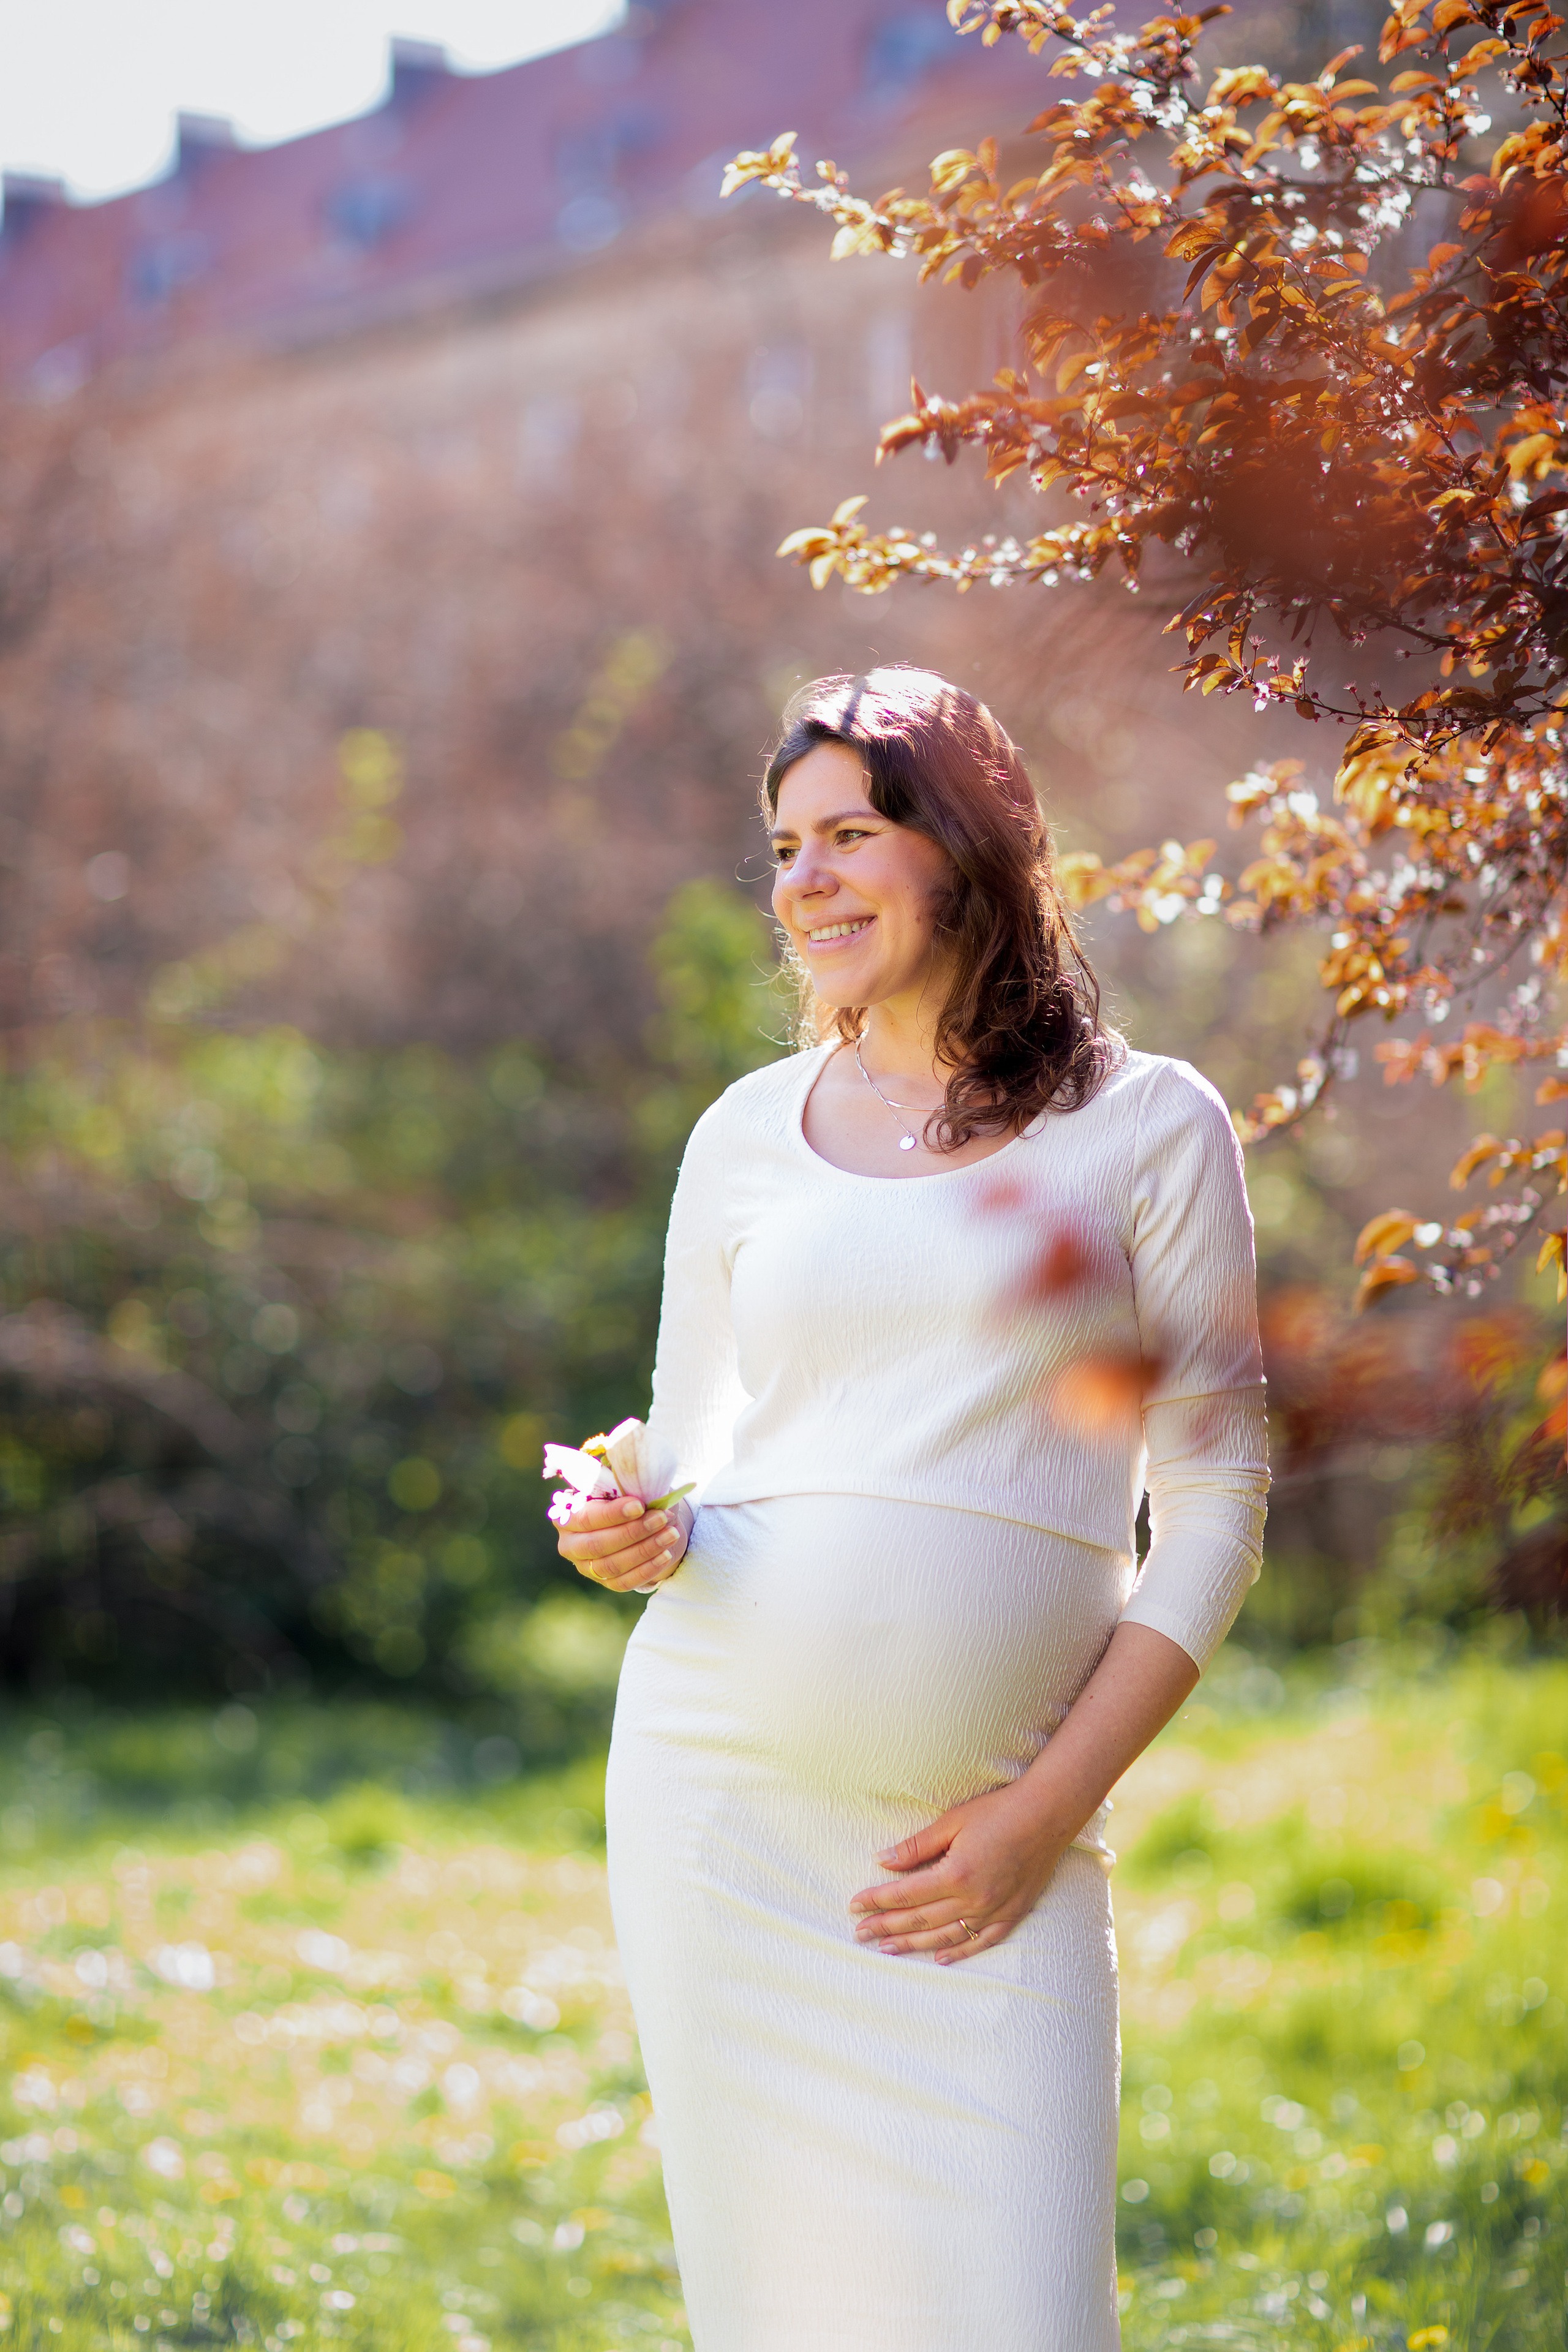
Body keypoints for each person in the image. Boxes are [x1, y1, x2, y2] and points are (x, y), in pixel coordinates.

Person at [554, 669, 1268, 2352]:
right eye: (784, 846)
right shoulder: (745, 1134)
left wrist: (1040, 1817)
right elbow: (691, 1439)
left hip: (994, 1845)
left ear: (968, 846)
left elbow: (1221, 1505)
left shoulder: (1150, 1127)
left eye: (851, 834)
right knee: (784, 2316)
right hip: (720, 1816)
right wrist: (619, 1510)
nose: (804, 880)